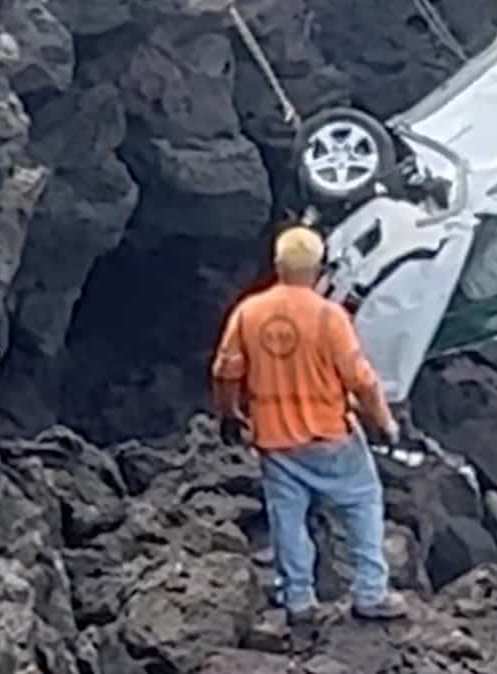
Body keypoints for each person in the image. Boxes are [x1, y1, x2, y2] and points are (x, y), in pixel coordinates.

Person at [210, 222, 408, 649]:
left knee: (288, 518)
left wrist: (230, 415)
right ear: (318, 267)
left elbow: (225, 372)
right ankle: (370, 592)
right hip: (331, 436)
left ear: (278, 265)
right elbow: (362, 380)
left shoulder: (249, 312)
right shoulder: (328, 316)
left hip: (276, 441)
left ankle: (298, 598)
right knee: (363, 502)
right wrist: (385, 423)